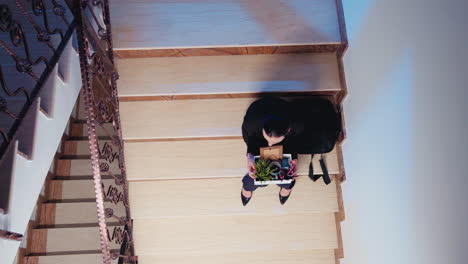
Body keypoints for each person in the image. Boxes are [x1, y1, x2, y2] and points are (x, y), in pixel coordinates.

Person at [240, 96, 301, 206]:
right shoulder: (252, 123)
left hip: (285, 134)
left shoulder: (296, 124)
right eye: (268, 139)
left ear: (288, 130)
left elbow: (294, 141)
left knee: (286, 175)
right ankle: (248, 187)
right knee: (258, 177)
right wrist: (250, 156)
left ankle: (286, 186)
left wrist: (294, 159)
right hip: (257, 134)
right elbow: (250, 138)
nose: (270, 145)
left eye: (274, 141)